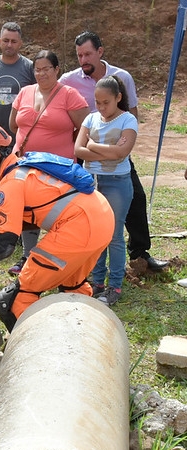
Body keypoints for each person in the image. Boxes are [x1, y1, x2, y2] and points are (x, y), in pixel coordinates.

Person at [0, 123, 113, 332]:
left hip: (79, 226)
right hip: (101, 217)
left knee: (12, 301)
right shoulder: (24, 167)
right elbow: (29, 214)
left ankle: (38, 353)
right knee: (73, 287)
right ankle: (82, 338)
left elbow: (5, 244)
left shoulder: (11, 182)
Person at [60, 31, 168, 272]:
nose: (83, 59)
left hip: (117, 154)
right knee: (84, 210)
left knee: (136, 201)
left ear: (100, 52)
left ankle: (140, 254)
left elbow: (132, 116)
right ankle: (81, 260)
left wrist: (111, 149)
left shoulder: (121, 77)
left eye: (88, 53)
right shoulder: (68, 80)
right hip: (86, 157)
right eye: (79, 55)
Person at [7, 50, 89, 275]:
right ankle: (28, 256)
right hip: (25, 165)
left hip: (58, 168)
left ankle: (58, 258)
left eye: (46, 69)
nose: (41, 73)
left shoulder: (69, 94)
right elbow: (14, 125)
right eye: (37, 69)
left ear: (57, 70)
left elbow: (85, 127)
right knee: (28, 211)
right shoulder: (24, 92)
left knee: (58, 212)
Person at [74, 76, 137, 306]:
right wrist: (107, 150)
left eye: (106, 102)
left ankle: (115, 286)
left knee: (114, 236)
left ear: (118, 97)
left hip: (117, 183)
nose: (101, 107)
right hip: (91, 182)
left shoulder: (128, 120)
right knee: (95, 234)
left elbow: (121, 153)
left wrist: (93, 146)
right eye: (97, 102)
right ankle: (97, 282)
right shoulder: (91, 118)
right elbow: (78, 150)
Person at [0, 22, 35, 215]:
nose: (9, 45)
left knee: (16, 180)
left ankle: (15, 222)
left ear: (20, 44)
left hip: (19, 136)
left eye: (13, 41)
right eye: (5, 40)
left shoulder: (29, 67)